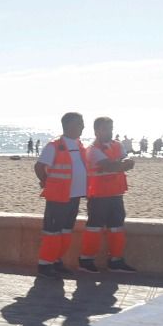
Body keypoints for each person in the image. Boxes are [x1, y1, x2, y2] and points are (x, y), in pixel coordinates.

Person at [33, 113, 92, 278]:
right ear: (67, 126)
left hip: (74, 196)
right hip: (58, 197)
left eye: (82, 123)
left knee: (65, 231)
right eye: (79, 123)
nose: (82, 126)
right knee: (52, 231)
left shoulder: (80, 145)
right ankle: (45, 265)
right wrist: (47, 183)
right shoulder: (54, 146)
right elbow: (39, 167)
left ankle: (56, 261)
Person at [80, 116, 138, 274]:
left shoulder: (116, 145)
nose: (110, 132)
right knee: (94, 227)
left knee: (117, 228)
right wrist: (122, 164)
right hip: (98, 195)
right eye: (106, 129)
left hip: (115, 194)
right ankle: (86, 260)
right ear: (97, 130)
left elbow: (126, 159)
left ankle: (116, 261)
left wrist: (122, 163)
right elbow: (111, 165)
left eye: (111, 128)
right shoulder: (93, 149)